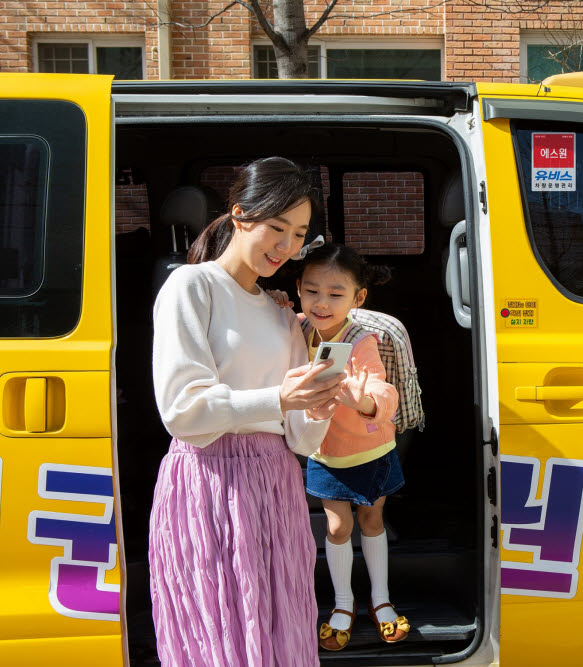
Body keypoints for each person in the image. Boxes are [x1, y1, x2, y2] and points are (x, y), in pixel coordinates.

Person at [149, 157, 343, 667]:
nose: (287, 246)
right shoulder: (191, 288)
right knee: (220, 638)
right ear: (240, 215)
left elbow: (300, 438)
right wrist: (279, 398)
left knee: (279, 635)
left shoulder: (282, 313)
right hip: (210, 483)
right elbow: (182, 411)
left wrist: (320, 400)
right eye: (276, 228)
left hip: (276, 485)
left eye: (299, 234)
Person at [269, 242, 408, 651]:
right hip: (324, 454)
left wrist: (361, 399)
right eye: (312, 291)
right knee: (336, 527)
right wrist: (272, 301)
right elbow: (266, 318)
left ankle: (380, 599)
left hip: (371, 452)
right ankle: (343, 602)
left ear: (358, 297)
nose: (322, 303)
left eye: (335, 294)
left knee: (372, 522)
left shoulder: (361, 339)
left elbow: (382, 391)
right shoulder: (295, 326)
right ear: (297, 289)